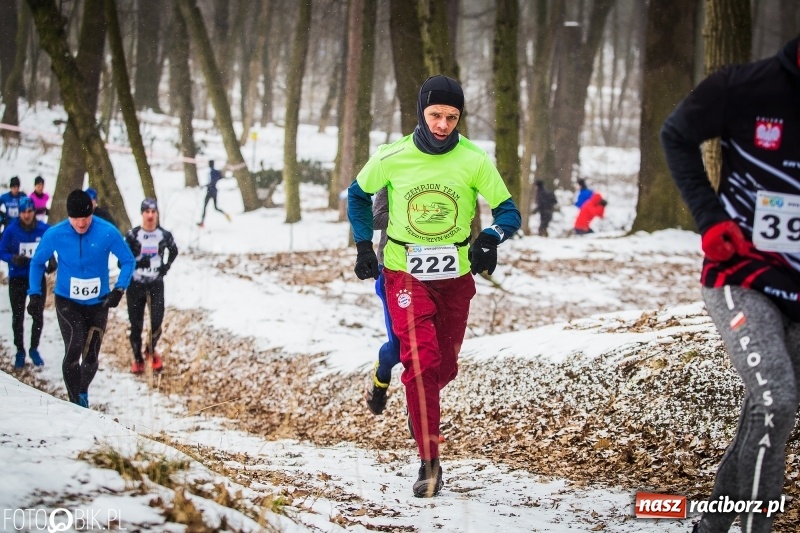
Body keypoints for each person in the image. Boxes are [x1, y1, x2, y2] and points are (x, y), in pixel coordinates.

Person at [348, 75, 521, 498]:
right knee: (422, 363)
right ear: (421, 113)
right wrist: (364, 245)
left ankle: (418, 401)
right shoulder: (393, 156)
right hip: (403, 271)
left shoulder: (474, 160)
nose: (443, 124)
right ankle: (430, 461)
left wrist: (491, 237)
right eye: (435, 115)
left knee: (443, 368)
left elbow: (508, 210)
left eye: (451, 117)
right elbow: (356, 194)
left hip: (455, 278)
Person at [661, 36, 800, 533]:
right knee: (777, 401)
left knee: (763, 416)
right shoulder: (745, 87)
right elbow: (675, 134)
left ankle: (713, 526)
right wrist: (710, 218)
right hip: (740, 276)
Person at [27, 190, 134, 408]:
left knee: (92, 355)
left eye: (86, 217)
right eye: (76, 218)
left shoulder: (106, 232)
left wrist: (119, 289)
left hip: (99, 303)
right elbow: (37, 263)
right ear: (68, 216)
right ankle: (75, 403)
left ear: (92, 213)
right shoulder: (55, 234)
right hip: (68, 301)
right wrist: (34, 294)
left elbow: (128, 260)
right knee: (75, 343)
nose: (81, 223)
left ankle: (81, 390)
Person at [125, 198, 179, 374]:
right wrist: (137, 264)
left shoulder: (164, 235)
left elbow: (174, 250)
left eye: (153, 212)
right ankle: (137, 359)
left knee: (157, 322)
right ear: (142, 214)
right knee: (136, 324)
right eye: (146, 212)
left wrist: (166, 267)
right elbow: (121, 261)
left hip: (156, 284)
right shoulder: (133, 235)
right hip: (136, 285)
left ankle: (150, 350)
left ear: (157, 214)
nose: (150, 215)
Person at [0, 197, 53, 368]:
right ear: (20, 213)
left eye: (30, 212)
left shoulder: (44, 229)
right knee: (18, 316)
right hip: (18, 278)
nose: (27, 215)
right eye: (23, 212)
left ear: (34, 212)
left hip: (36, 279)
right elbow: (2, 251)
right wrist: (13, 258)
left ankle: (34, 348)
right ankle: (20, 350)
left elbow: (54, 244)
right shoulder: (11, 230)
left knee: (37, 315)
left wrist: (52, 259)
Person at [364, 187, 401, 415]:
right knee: (398, 348)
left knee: (430, 347)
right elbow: (376, 218)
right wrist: (408, 212)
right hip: (391, 267)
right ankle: (381, 377)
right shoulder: (393, 164)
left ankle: (419, 409)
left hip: (434, 271)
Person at [197, 160, 231, 227]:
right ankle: (226, 214)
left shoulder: (212, 172)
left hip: (210, 191)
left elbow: (212, 182)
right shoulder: (216, 171)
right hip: (214, 191)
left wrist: (205, 186)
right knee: (216, 207)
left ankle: (202, 222)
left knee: (205, 206)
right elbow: (220, 177)